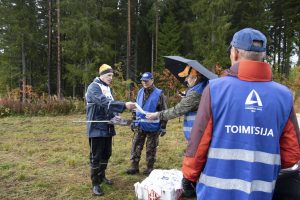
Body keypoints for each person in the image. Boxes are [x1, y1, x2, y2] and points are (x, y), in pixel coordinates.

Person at [181, 28, 300, 200]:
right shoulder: (284, 95)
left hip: (215, 193)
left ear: (235, 53)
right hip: (261, 193)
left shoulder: (215, 89)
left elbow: (198, 142)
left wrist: (189, 176)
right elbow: (291, 154)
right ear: (263, 55)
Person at [85, 64, 136, 196]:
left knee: (107, 153)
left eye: (112, 76)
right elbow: (103, 102)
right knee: (96, 156)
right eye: (109, 75)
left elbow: (110, 108)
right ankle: (95, 183)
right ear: (101, 75)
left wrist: (118, 119)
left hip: (108, 126)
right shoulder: (93, 87)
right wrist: (124, 105)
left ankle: (102, 176)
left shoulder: (108, 88)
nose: (111, 78)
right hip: (96, 127)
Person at [146, 65, 208, 141]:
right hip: (200, 133)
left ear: (195, 78)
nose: (186, 80)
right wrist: (186, 95)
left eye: (188, 77)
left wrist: (158, 115)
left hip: (197, 135)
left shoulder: (195, 93)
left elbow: (177, 110)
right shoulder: (203, 87)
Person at [126, 72, 168, 175]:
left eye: (146, 81)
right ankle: (134, 166)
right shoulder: (140, 92)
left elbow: (164, 111)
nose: (144, 82)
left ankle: (149, 168)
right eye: (142, 81)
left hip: (153, 126)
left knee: (151, 148)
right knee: (136, 145)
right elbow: (135, 107)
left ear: (152, 80)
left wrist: (163, 126)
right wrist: (133, 120)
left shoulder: (159, 94)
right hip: (140, 125)